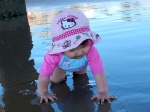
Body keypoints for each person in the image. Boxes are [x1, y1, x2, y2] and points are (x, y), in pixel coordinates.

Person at [37, 9, 115, 104]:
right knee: (56, 80)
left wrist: (103, 92)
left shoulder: (91, 50)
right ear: (61, 47)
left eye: (83, 45)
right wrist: (43, 92)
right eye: (72, 49)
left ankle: (77, 73)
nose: (79, 53)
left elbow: (98, 72)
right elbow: (44, 75)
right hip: (61, 66)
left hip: (81, 65)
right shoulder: (54, 55)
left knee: (81, 76)